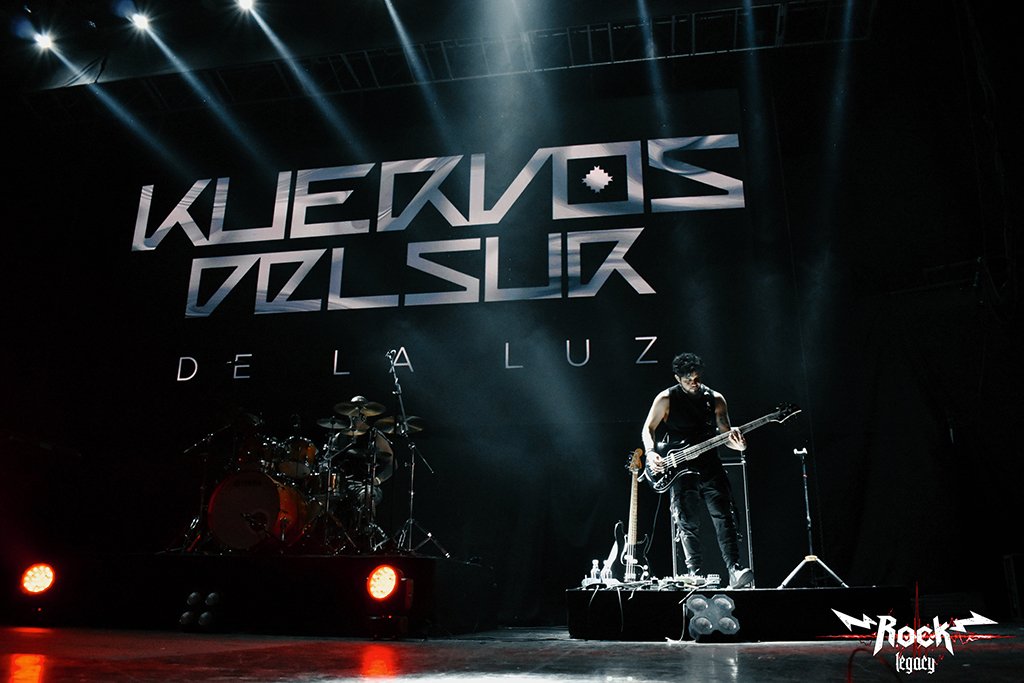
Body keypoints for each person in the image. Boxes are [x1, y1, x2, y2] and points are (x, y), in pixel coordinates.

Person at [641, 352, 755, 589]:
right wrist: (650, 452)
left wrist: (739, 445)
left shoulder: (715, 399)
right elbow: (648, 428)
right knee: (686, 520)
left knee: (725, 517)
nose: (693, 383)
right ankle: (695, 574)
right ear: (677, 378)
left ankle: (735, 570)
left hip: (710, 465)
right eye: (688, 380)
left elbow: (726, 434)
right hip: (680, 467)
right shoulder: (666, 398)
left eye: (696, 378)